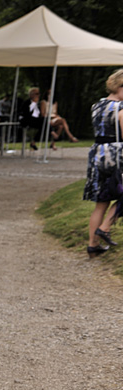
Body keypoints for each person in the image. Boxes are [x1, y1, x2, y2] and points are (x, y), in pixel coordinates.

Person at [83, 69, 123, 258]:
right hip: (115, 155)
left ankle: (93, 245)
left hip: (97, 154)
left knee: (101, 202)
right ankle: (105, 227)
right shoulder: (120, 108)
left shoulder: (97, 106)